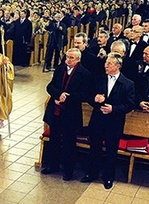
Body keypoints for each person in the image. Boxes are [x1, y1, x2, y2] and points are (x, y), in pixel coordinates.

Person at [81, 52, 135, 190]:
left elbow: (129, 104)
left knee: (111, 151)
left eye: (109, 64)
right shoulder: (99, 79)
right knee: (94, 148)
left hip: (114, 123)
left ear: (117, 66)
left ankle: (109, 177)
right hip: (98, 120)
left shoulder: (128, 84)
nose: (106, 66)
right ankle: (91, 173)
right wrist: (95, 99)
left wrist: (113, 109)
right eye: (106, 63)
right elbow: (88, 94)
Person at [41, 48, 91, 181]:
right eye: (67, 57)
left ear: (78, 59)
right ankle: (53, 165)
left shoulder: (84, 74)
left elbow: (85, 94)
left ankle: (68, 171)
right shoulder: (59, 69)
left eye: (71, 58)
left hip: (70, 113)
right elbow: (50, 86)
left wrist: (67, 97)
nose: (68, 60)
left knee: (69, 143)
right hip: (56, 110)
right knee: (54, 140)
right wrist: (57, 95)